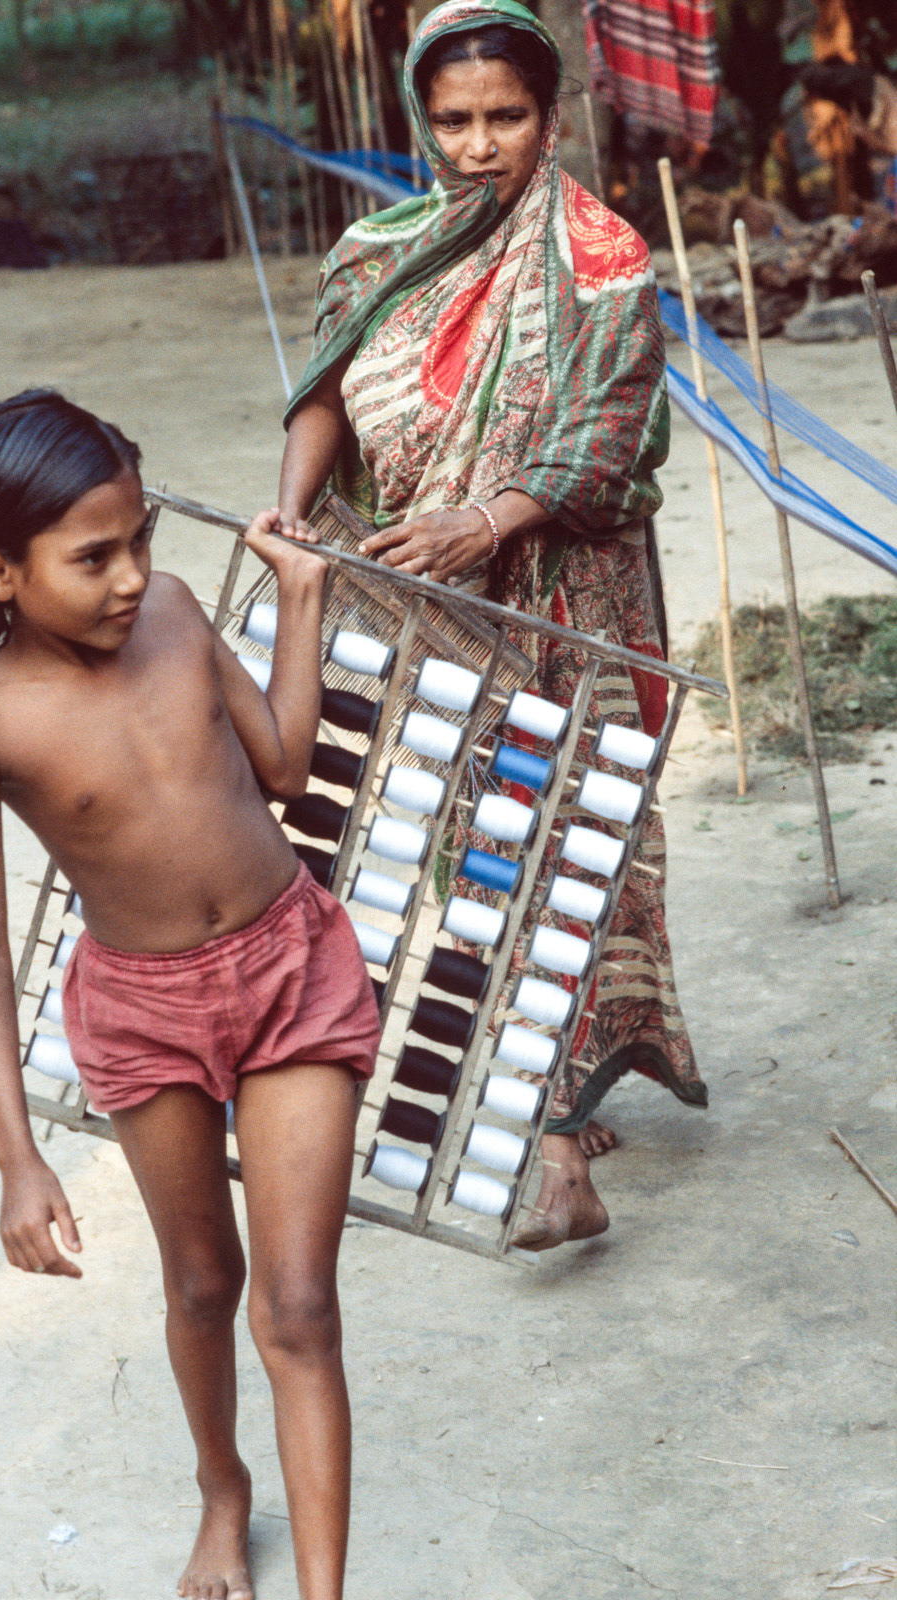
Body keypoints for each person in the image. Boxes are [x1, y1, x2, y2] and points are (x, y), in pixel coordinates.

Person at [0, 389, 381, 1600]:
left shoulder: (178, 616)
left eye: (141, 539)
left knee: (297, 1307)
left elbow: (283, 768)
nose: (133, 575)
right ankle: (222, 1489)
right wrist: (18, 1161)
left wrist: (300, 601)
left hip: (291, 971)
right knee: (202, 1283)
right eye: (94, 556)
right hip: (142, 1011)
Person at [276, 0, 707, 1252]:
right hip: (425, 601)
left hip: (566, 607)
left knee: (561, 830)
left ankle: (558, 1147)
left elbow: (606, 436)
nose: (478, 145)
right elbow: (324, 391)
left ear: (550, 115)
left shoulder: (602, 262)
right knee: (467, 837)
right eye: (455, 120)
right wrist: (297, 508)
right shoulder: (378, 251)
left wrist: (487, 517)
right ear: (423, 119)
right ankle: (552, 1091)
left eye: (504, 117)